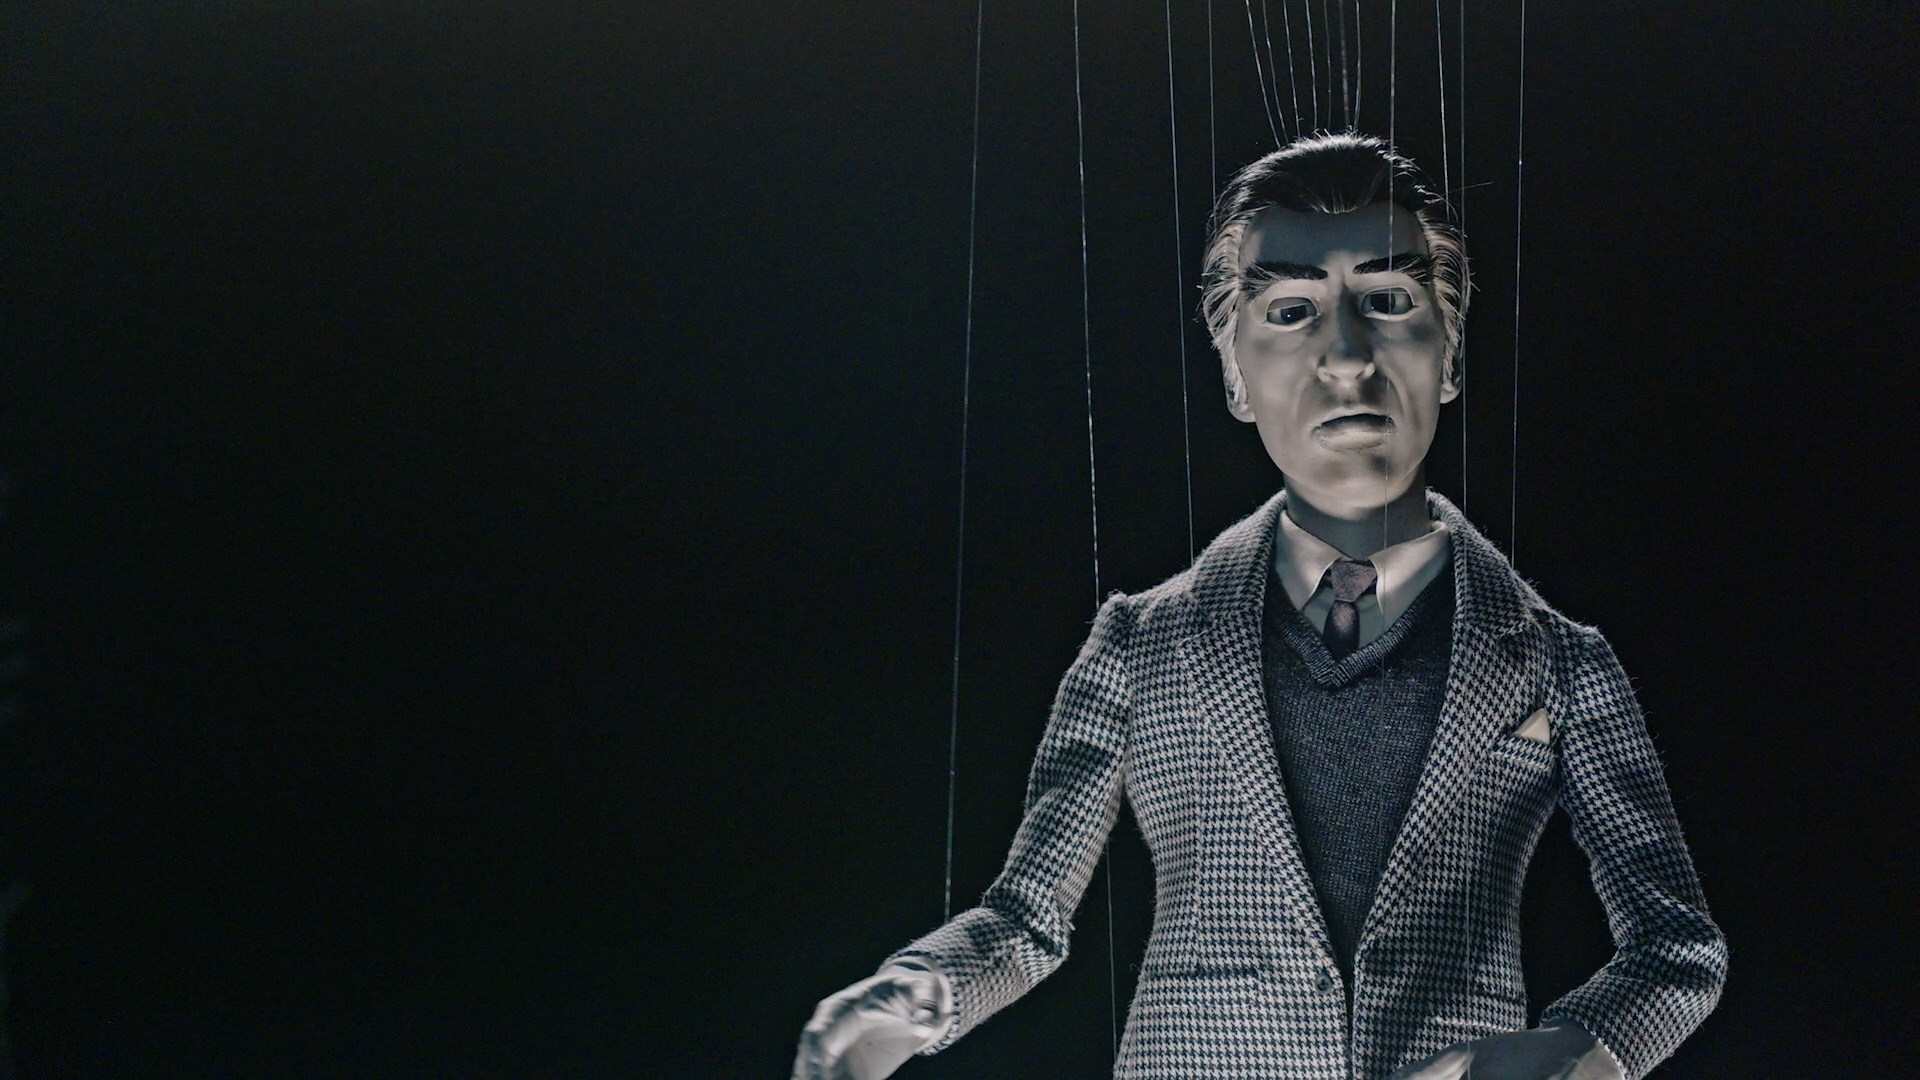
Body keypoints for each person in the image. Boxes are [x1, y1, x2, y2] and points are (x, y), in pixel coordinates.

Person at [793, 132, 1725, 1080]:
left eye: (1389, 300)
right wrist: (919, 993)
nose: (1346, 357)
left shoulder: (1558, 659)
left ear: (1449, 353)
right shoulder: (1141, 645)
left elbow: (1676, 943)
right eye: (1289, 311)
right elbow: (1027, 915)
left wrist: (1579, 1049)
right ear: (1234, 375)